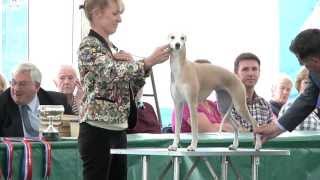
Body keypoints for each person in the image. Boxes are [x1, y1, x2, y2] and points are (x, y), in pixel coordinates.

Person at [78, 0, 170, 179]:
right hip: (97, 131)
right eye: (115, 14)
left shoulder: (113, 48)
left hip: (118, 129)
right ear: (97, 14)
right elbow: (109, 72)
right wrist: (146, 62)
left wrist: (138, 69)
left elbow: (129, 89)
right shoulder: (88, 46)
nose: (119, 19)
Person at [254, 28, 320, 143]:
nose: (303, 67)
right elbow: (306, 100)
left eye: (305, 64)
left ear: (316, 61)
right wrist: (276, 128)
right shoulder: (315, 73)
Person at [0, 63, 72, 137]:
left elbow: (73, 133)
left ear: (37, 86)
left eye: (23, 84)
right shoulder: (2, 104)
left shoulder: (57, 102)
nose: (16, 88)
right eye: (13, 83)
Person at [171, 59, 233, 133]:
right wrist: (220, 126)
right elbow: (209, 130)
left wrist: (219, 126)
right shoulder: (185, 103)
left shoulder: (213, 105)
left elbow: (232, 126)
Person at [231, 52, 273, 131]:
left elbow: (270, 133)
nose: (250, 73)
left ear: (259, 72)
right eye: (245, 69)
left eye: (254, 69)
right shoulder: (228, 102)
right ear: (236, 73)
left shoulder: (265, 104)